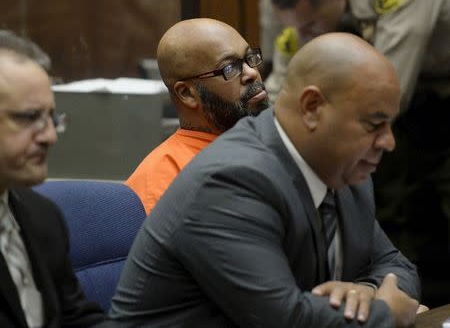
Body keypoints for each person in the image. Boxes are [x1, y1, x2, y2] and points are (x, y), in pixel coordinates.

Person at [109, 33, 423, 327]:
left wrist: (366, 290)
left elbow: (397, 267)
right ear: (312, 108)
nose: (388, 142)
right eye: (374, 124)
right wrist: (385, 314)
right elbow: (284, 319)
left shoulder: (341, 166)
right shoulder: (230, 181)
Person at [266, 0, 450, 306]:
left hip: (425, 95)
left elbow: (388, 89)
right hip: (408, 107)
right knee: (399, 214)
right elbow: (280, 92)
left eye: (310, 25)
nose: (304, 35)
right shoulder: (305, 15)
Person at [0, 30, 106, 327]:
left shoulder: (41, 216)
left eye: (51, 118)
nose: (49, 136)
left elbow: (77, 318)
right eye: (28, 117)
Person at [126, 18, 269, 214]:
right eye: (230, 68)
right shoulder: (164, 177)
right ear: (187, 93)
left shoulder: (272, 144)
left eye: (250, 58)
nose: (251, 73)